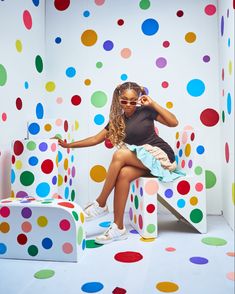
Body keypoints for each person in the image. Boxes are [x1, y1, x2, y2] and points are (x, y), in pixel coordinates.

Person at [56, 81, 180, 245]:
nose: (128, 105)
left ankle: (100, 202)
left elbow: (174, 122)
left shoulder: (146, 111)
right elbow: (95, 139)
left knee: (120, 154)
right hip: (144, 162)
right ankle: (118, 227)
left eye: (133, 100)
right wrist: (68, 145)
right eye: (124, 100)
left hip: (161, 157)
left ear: (138, 99)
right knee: (123, 174)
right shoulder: (117, 121)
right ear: (118, 99)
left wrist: (153, 103)